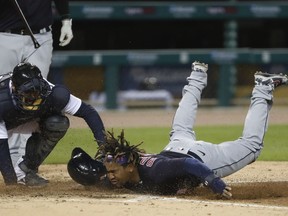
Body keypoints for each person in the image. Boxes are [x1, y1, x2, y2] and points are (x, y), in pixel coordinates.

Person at [68, 61, 288, 198]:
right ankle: (197, 76)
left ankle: (263, 87)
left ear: (131, 166)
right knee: (180, 128)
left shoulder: (157, 171)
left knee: (252, 146)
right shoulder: (125, 167)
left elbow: (189, 164)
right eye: (110, 171)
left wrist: (212, 181)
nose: (111, 176)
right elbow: (100, 173)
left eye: (113, 172)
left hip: (202, 158)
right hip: (176, 146)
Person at [0, 62, 105, 187]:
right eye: (29, 94)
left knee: (57, 123)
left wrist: (105, 149)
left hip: (24, 119)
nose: (34, 98)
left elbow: (89, 113)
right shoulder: (3, 101)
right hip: (5, 120)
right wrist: (11, 183)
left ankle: (25, 171)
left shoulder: (52, 93)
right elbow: (1, 146)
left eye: (37, 93)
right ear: (14, 89)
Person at [0, 0, 74, 169]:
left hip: (41, 37)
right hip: (5, 36)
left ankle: (22, 166)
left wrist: (66, 19)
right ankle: (6, 158)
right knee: (4, 97)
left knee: (34, 99)